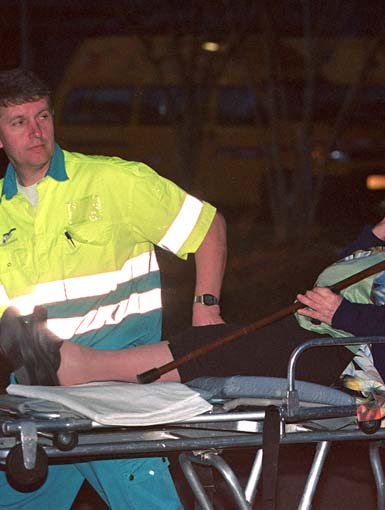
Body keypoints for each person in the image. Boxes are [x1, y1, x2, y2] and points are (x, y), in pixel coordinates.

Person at [1, 161, 385, 393]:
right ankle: (82, 364)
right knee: (221, 339)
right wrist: (372, 235)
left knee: (222, 347)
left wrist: (343, 314)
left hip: (360, 367)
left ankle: (79, 367)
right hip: (334, 344)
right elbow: (337, 279)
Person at [0, 69, 227, 509]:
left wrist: (206, 311)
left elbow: (209, 227)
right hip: (38, 401)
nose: (36, 131)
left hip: (116, 397)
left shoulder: (113, 182)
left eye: (43, 116)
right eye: (19, 121)